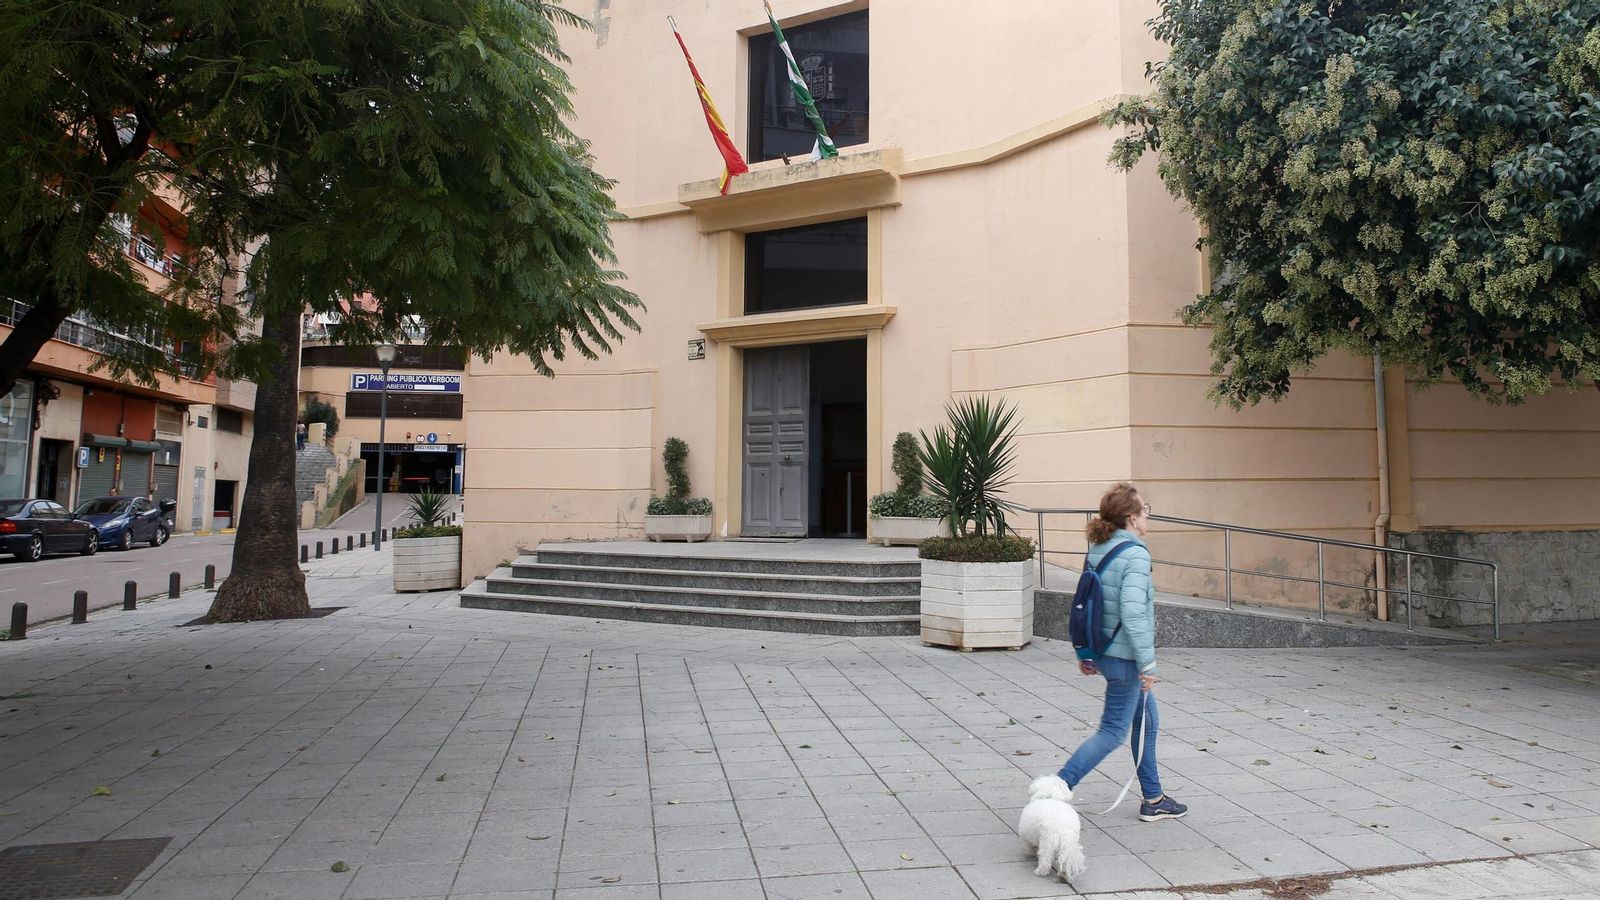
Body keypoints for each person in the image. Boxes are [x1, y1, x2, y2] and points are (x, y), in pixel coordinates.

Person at [1056, 482, 1187, 822]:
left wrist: (1085, 653)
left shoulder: (1098, 547)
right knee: (1113, 731)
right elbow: (1133, 614)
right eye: (1145, 510)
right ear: (1131, 517)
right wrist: (1147, 663)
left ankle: (1154, 797)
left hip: (1101, 650)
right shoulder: (1136, 554)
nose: (1147, 515)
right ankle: (1057, 787)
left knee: (1147, 720)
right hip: (1125, 657)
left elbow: (1083, 603)